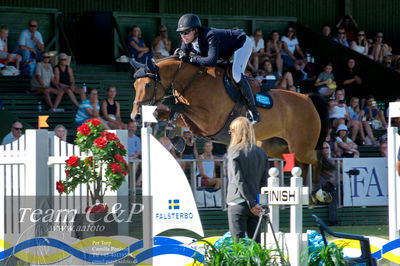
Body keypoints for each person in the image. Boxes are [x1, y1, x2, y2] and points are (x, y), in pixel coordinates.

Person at [175, 13, 259, 123]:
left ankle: (253, 111)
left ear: (195, 30)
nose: (183, 36)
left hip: (241, 44)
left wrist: (189, 59)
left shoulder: (209, 35)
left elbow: (210, 61)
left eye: (186, 32)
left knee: (236, 74)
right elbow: (183, 57)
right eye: (181, 32)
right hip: (224, 52)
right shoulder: (187, 41)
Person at [226, 116, 268, 242]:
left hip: (238, 202)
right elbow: (264, 181)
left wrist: (252, 203)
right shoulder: (261, 152)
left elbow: (239, 180)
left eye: (231, 131)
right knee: (256, 245)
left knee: (238, 245)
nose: (230, 134)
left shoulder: (234, 151)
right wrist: (259, 204)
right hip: (256, 204)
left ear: (237, 132)